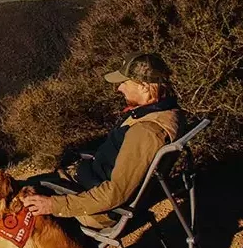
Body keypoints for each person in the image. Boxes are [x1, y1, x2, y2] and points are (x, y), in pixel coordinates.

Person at [21, 53, 184, 229]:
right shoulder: (167, 112)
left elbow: (114, 194)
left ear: (144, 87)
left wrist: (53, 205)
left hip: (97, 208)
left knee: (23, 196)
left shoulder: (145, 131)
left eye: (124, 83)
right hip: (91, 183)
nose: (119, 89)